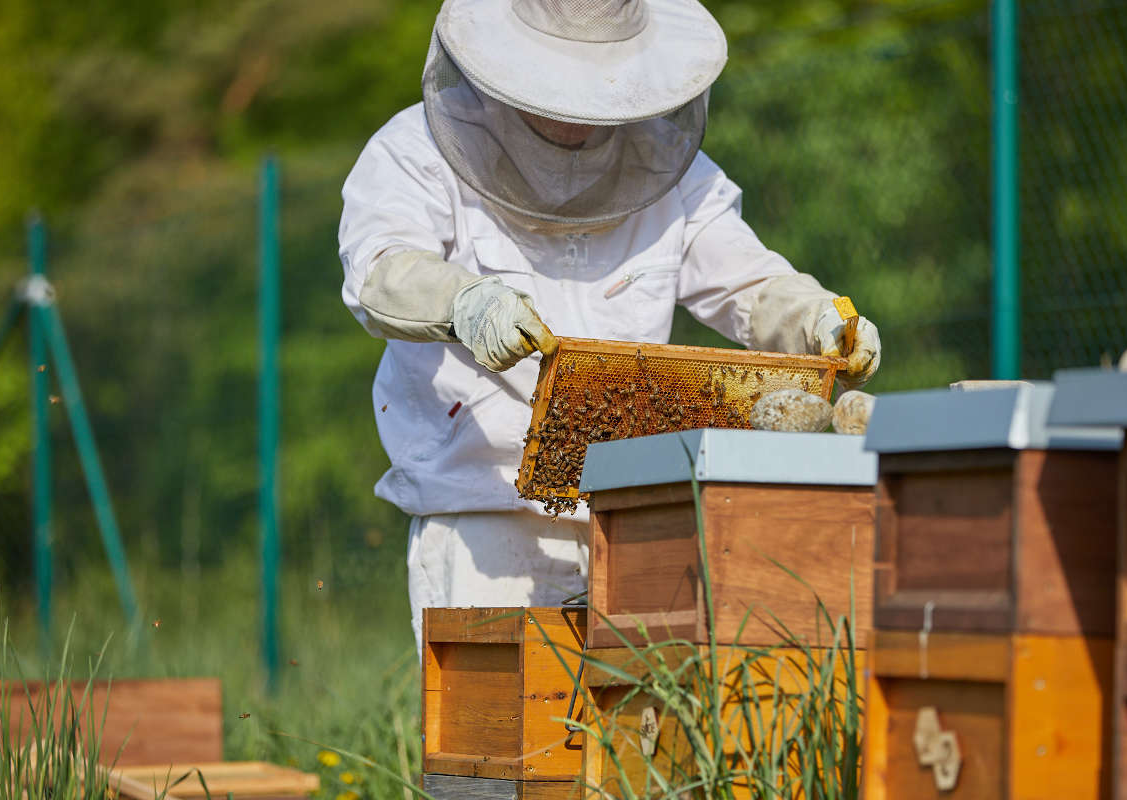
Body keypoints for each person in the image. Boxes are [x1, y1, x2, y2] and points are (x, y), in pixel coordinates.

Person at [339, 0, 881, 653]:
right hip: (482, 517)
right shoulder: (416, 150)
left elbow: (748, 282)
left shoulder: (671, 168)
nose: (575, 109)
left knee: (634, 740)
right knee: (492, 749)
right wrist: (463, 301)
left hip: (636, 514)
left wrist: (817, 314)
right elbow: (380, 268)